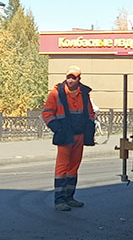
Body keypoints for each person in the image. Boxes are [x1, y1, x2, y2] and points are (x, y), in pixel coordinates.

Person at [41, 66, 96, 210]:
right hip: (65, 135)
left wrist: (89, 125)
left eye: (73, 77)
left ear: (79, 79)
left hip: (79, 135)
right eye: (68, 77)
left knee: (73, 167)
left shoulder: (84, 93)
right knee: (62, 167)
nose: (70, 80)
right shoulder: (56, 93)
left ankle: (69, 198)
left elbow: (90, 112)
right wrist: (58, 129)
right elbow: (47, 114)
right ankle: (59, 201)